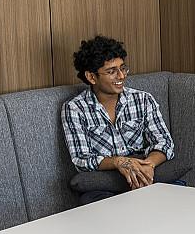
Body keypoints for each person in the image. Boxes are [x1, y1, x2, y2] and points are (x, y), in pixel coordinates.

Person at [61, 36, 175, 205]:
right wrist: (119, 162)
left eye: (123, 68)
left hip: (146, 172)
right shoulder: (75, 108)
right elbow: (81, 159)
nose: (121, 75)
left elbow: (164, 143)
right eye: (111, 71)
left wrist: (147, 167)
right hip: (105, 183)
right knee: (96, 206)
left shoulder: (143, 99)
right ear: (91, 77)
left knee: (176, 195)